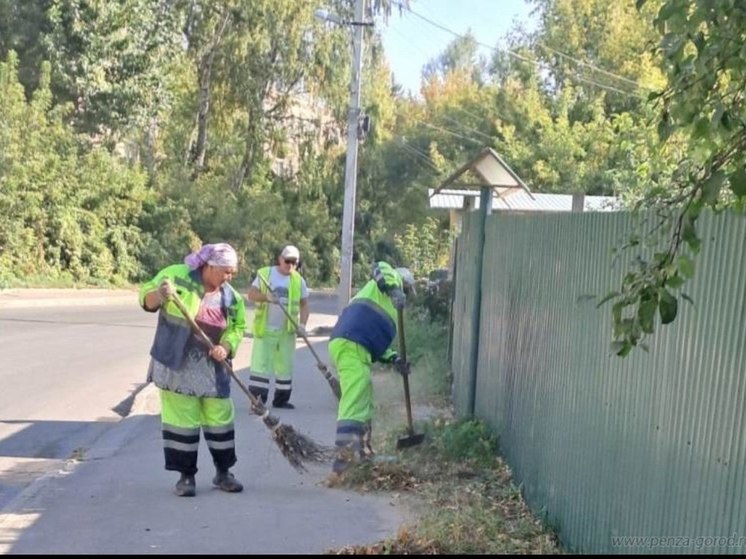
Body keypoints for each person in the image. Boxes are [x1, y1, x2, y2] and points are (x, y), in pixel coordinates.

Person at [139, 243, 247, 497]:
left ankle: (223, 472)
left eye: (232, 273)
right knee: (182, 421)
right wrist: (159, 293)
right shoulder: (176, 275)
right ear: (209, 266)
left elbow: (238, 326)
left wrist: (226, 346)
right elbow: (145, 298)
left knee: (220, 418)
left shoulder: (231, 297)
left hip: (212, 367)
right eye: (226, 272)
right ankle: (186, 477)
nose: (229, 277)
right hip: (178, 362)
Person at [325, 261, 413, 481]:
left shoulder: (389, 307)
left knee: (363, 401)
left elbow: (378, 345)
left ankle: (363, 454)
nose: (408, 295)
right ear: (404, 283)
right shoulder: (388, 280)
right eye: (408, 290)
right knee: (354, 403)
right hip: (351, 343)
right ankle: (341, 465)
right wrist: (394, 289)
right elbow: (380, 267)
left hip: (358, 345)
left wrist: (395, 359)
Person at [246, 244, 309, 409]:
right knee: (261, 366)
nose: (290, 265)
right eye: (287, 261)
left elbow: (304, 304)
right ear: (280, 259)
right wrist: (266, 296)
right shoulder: (266, 274)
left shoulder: (298, 280)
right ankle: (257, 402)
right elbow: (251, 294)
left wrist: (302, 325)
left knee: (285, 367)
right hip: (265, 329)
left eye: (294, 263)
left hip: (286, 332)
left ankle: (281, 400)